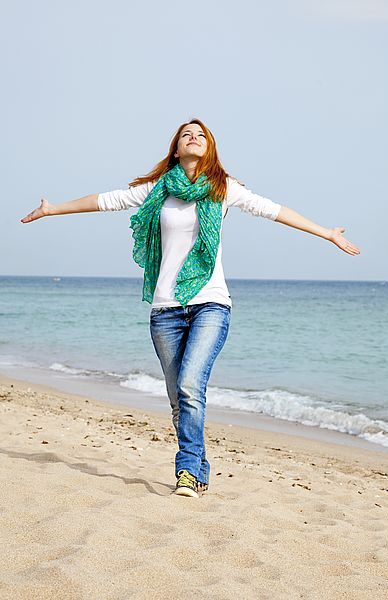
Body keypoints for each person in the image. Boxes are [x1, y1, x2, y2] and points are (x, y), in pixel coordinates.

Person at [20, 118, 360, 499]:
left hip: (210, 303)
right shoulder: (158, 190)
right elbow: (105, 200)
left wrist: (327, 233)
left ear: (209, 148)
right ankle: (199, 470)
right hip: (165, 309)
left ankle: (185, 472)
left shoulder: (223, 189)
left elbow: (275, 211)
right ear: (176, 149)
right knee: (179, 400)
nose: (194, 138)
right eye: (187, 135)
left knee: (189, 385)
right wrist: (53, 210)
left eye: (201, 135)